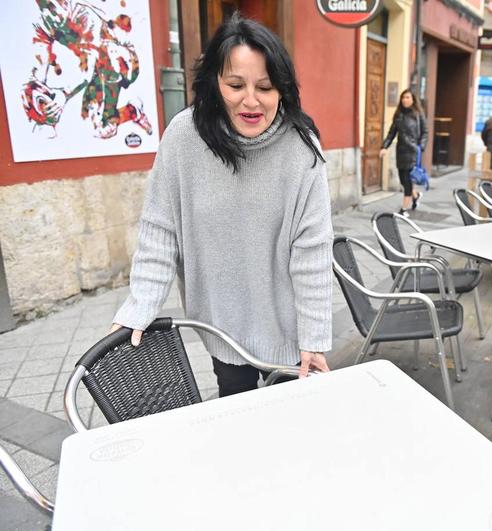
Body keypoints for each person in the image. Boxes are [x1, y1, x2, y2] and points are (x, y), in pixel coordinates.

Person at [109, 13, 332, 397]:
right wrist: (139, 307)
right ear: (215, 81)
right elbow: (161, 230)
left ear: (282, 88)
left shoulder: (302, 147)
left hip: (290, 333)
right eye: (235, 84)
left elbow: (312, 250)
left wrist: (313, 337)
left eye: (265, 86)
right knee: (239, 425)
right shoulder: (184, 137)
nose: (251, 100)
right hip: (223, 327)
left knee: (294, 435)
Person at [379, 89, 428, 217]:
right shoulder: (398, 115)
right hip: (401, 152)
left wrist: (420, 147)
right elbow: (391, 133)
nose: (405, 100)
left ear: (413, 100)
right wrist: (384, 146)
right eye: (403, 97)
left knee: (407, 180)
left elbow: (425, 132)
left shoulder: (418, 115)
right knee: (403, 180)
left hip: (413, 152)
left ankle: (404, 209)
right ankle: (415, 196)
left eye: (408, 97)